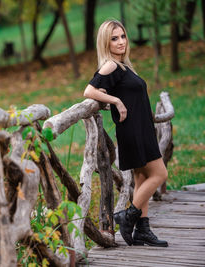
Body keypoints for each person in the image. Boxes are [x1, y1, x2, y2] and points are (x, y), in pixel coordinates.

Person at [83, 20, 168, 247]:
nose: (121, 42)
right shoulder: (111, 66)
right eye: (114, 38)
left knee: (141, 179)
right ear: (105, 42)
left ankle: (143, 230)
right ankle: (126, 216)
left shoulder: (123, 65)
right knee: (160, 175)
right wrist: (115, 100)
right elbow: (89, 90)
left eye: (122, 36)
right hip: (133, 131)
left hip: (141, 129)